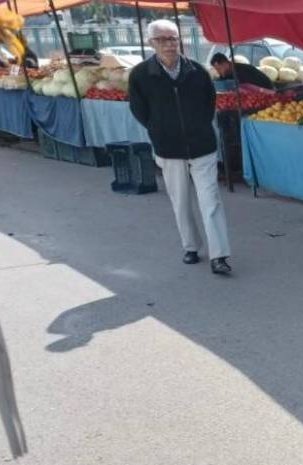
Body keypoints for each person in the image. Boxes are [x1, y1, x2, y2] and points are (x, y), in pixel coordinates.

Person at [129, 19, 233, 275]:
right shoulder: (141, 75)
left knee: (211, 201)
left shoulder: (197, 71)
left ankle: (219, 255)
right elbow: (139, 110)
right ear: (151, 43)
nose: (169, 45)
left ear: (180, 41)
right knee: (181, 202)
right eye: (162, 40)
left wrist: (198, 127)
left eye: (173, 39)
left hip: (202, 145)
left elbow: (209, 104)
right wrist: (159, 130)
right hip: (169, 147)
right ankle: (191, 247)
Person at [209, 52, 274, 90]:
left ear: (225, 63)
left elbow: (255, 87)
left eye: (219, 69)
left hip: (266, 91)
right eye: (217, 70)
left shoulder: (245, 70)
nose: (218, 72)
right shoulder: (226, 74)